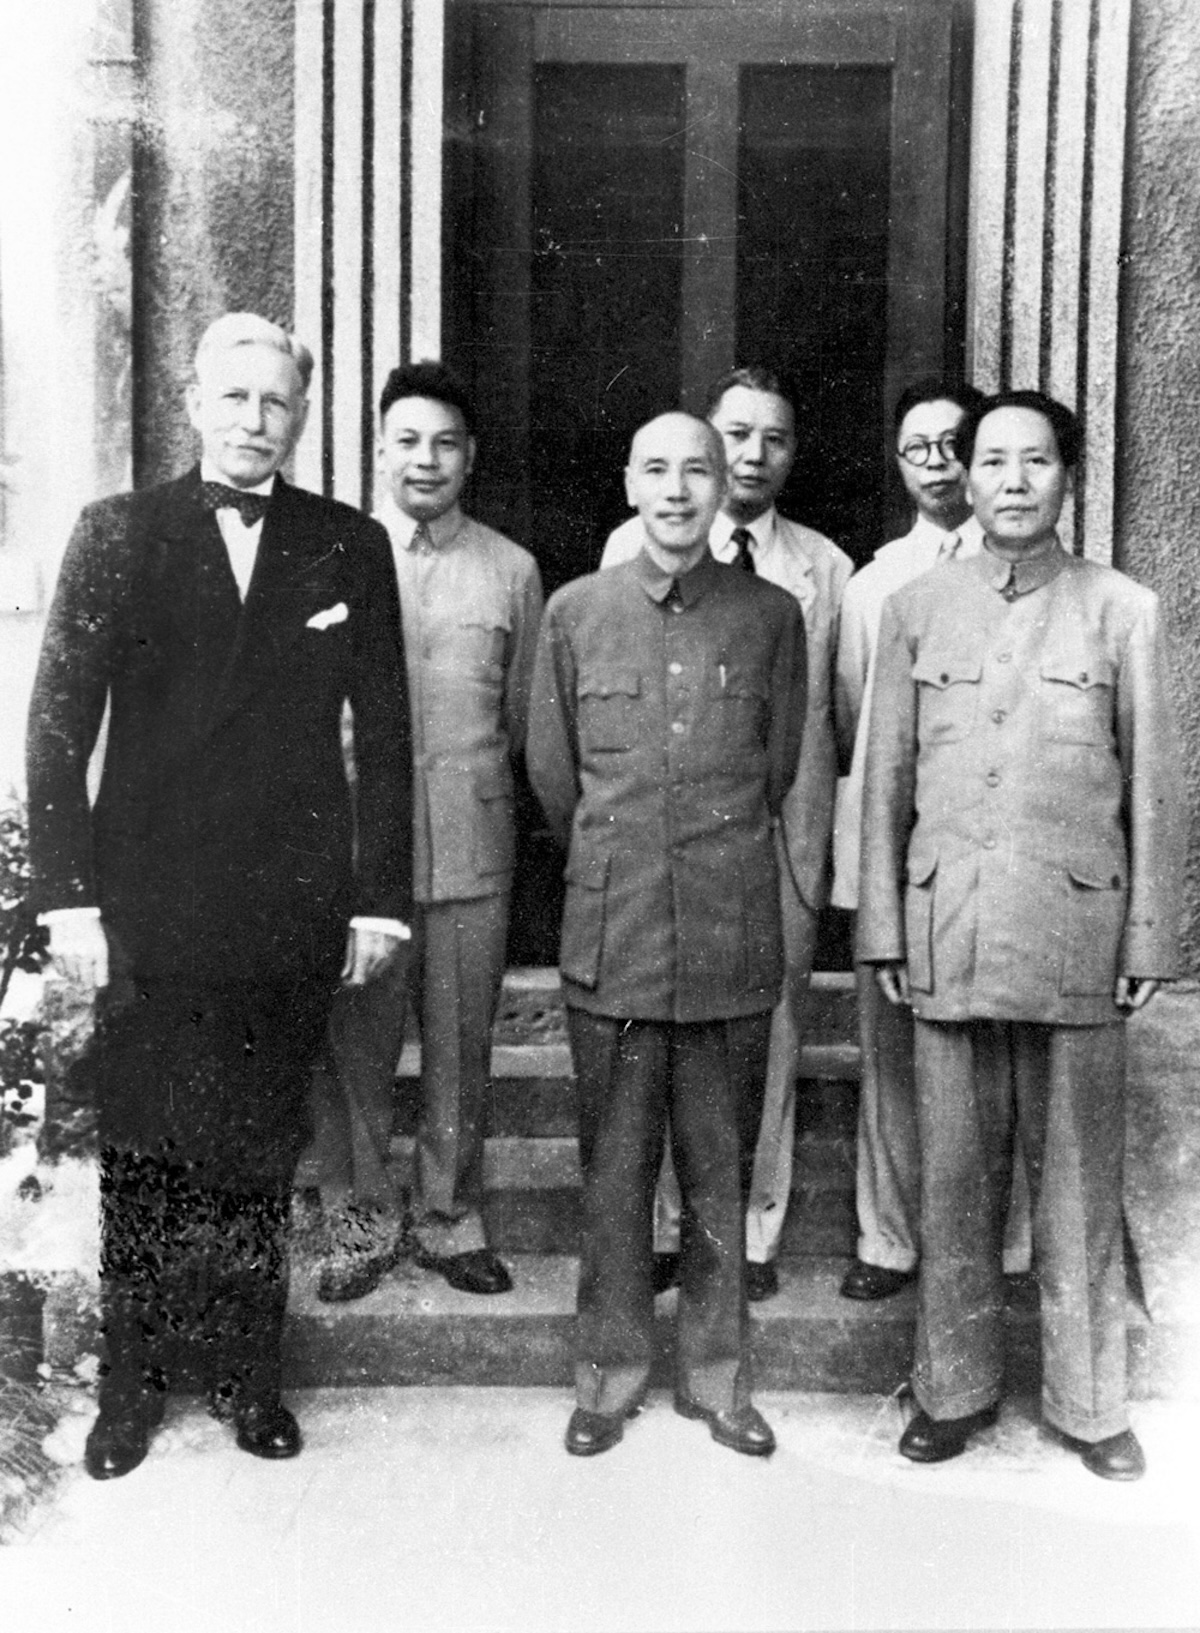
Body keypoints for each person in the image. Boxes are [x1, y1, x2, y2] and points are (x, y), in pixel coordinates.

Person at [26, 313, 412, 1478]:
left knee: (256, 1147)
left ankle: (252, 1378)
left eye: (276, 403)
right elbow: (55, 729)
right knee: (147, 1148)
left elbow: (387, 737)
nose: (255, 422)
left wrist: (377, 904)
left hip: (286, 905)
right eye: (234, 399)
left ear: (302, 415)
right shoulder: (118, 533)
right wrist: (70, 904)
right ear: (195, 402)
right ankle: (132, 1391)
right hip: (147, 904)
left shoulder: (346, 543)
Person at [858, 389, 1186, 1480]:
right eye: (990, 459)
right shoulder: (914, 606)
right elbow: (886, 783)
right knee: (954, 1182)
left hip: (1076, 935)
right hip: (949, 928)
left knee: (1078, 1188)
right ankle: (953, 1391)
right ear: (964, 474)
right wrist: (884, 929)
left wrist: (1148, 939)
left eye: (1033, 461)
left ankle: (1092, 1405)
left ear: (1067, 476)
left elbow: (1155, 790)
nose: (1008, 479)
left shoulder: (1121, 610)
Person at [528, 412, 807, 1458]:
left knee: (719, 1175)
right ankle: (607, 1377)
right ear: (630, 482)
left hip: (731, 937)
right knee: (612, 1170)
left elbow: (776, 768)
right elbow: (556, 777)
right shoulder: (576, 612)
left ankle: (718, 1378)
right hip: (618, 931)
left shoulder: (771, 615)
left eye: (699, 468)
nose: (681, 489)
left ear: (724, 479)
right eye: (658, 468)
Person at [602, 366, 851, 1301]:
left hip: (781, 830)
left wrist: (798, 837)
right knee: (662, 1025)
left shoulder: (824, 568)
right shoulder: (630, 543)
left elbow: (831, 715)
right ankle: (672, 1227)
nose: (752, 454)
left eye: (773, 438)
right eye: (735, 434)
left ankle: (752, 1230)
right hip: (667, 841)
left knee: (769, 1030)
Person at [304, 360, 542, 1299]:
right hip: (359, 850)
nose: (426, 459)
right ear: (378, 448)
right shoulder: (328, 555)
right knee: (353, 1045)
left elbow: (526, 721)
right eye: (407, 439)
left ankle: (450, 1219)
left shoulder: (512, 569)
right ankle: (358, 1225)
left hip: (469, 845)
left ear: (471, 455)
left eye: (446, 441)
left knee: (459, 1045)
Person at [832, 379, 1031, 1301]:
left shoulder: (1042, 583)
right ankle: (889, 1239)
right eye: (918, 447)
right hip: (905, 853)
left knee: (1006, 1060)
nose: (939, 463)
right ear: (899, 462)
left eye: (958, 443)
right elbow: (854, 727)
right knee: (892, 1054)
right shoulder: (875, 586)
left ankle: (1011, 1251)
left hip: (1002, 854)